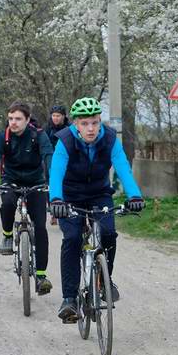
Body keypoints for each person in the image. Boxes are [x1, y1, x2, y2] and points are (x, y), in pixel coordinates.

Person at [49, 97, 145, 322]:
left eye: (94, 122)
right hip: (69, 197)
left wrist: (134, 195)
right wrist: (56, 200)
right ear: (75, 124)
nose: (90, 128)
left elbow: (123, 167)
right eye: (85, 123)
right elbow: (56, 172)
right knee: (72, 238)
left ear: (100, 121)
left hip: (99, 194)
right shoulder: (65, 141)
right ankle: (69, 299)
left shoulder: (110, 139)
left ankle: (103, 280)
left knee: (109, 233)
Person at [0, 101, 55, 295]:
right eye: (10, 118)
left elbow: (49, 155)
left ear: (27, 120)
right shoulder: (3, 137)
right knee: (7, 202)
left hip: (36, 182)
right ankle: (7, 235)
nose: (13, 122)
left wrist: (55, 179)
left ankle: (41, 276)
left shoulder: (39, 135)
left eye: (18, 119)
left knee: (40, 226)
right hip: (11, 179)